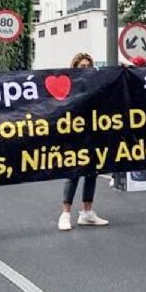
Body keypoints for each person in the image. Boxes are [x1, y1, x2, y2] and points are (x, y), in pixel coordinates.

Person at [59, 53, 110, 230]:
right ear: (74, 68)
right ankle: (65, 214)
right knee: (73, 173)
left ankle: (87, 212)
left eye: (89, 66)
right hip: (74, 134)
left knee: (91, 172)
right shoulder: (69, 86)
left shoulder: (95, 86)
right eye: (82, 66)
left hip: (92, 133)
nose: (86, 69)